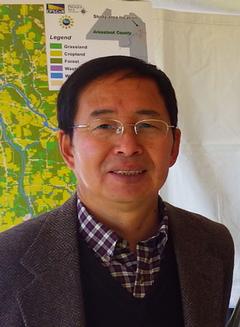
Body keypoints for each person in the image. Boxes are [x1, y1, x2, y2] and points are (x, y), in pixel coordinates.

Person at [0, 56, 234, 327]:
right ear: (68, 148)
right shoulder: (8, 260)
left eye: (147, 125)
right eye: (105, 126)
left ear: (173, 145)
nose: (128, 146)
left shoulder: (213, 244)